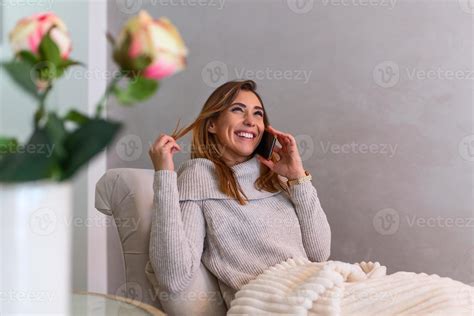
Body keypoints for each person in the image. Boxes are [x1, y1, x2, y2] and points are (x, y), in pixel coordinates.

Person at [148, 79, 331, 309]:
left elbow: (319, 253)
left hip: (317, 288)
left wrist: (297, 177)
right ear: (212, 123)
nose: (250, 122)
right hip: (273, 304)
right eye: (238, 110)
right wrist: (164, 176)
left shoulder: (276, 176)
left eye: (258, 114)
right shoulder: (199, 176)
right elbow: (174, 278)